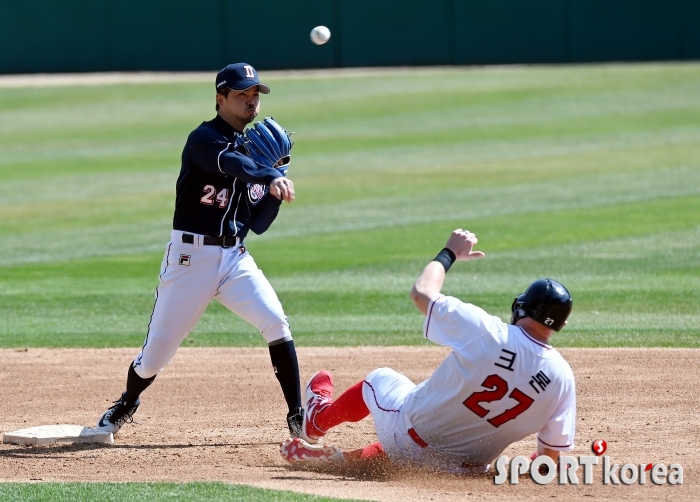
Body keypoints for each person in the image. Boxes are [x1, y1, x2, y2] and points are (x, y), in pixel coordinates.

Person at [96, 63, 304, 439]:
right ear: (220, 99)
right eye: (242, 94)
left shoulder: (254, 151)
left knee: (276, 322)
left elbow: (257, 223)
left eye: (255, 94)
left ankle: (297, 417)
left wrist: (274, 188)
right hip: (190, 261)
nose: (251, 101)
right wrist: (267, 174)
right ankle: (128, 401)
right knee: (154, 357)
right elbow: (229, 163)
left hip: (234, 260)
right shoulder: (204, 139)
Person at [280, 229, 575, 473]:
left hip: (409, 440)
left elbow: (421, 293)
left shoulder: (491, 332)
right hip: (466, 471)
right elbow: (550, 457)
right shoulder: (563, 379)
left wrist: (450, 252)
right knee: (441, 429)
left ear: (522, 306)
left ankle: (316, 421)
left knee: (380, 379)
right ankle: (342, 462)